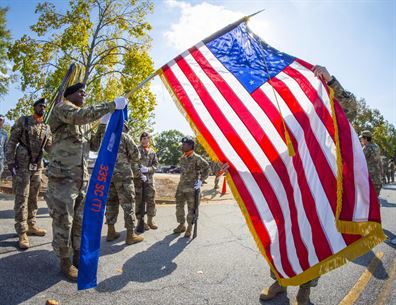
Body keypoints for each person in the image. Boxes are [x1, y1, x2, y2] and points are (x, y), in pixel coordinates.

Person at [260, 65, 358, 305]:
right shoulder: (283, 126)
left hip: (317, 191)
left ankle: (306, 288)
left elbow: (349, 110)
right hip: (288, 195)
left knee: (313, 238)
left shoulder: (319, 118)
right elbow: (264, 162)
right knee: (283, 239)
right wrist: (233, 168)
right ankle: (280, 282)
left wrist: (331, 80)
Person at [44, 82, 127, 281]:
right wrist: (109, 105)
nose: (84, 95)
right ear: (70, 94)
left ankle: (76, 256)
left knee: (79, 222)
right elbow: (79, 117)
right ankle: (64, 261)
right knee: (64, 221)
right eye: (81, 92)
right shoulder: (62, 108)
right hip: (62, 178)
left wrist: (104, 124)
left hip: (81, 179)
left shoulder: (83, 121)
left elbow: (93, 145)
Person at [5, 99, 51, 249]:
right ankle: (22, 232)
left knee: (34, 198)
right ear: (34, 107)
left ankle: (31, 225)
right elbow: (12, 141)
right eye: (40, 106)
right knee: (21, 198)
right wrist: (10, 162)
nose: (42, 108)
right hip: (22, 166)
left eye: (44, 106)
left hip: (37, 167)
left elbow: (50, 147)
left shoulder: (46, 127)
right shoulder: (24, 121)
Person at [105, 122, 143, 245]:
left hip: (108, 173)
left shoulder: (106, 136)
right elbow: (136, 155)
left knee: (111, 202)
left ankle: (111, 231)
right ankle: (130, 235)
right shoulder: (124, 136)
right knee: (128, 203)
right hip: (123, 174)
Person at [173, 137, 209, 238]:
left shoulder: (197, 158)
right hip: (181, 187)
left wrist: (201, 180)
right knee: (179, 207)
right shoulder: (182, 157)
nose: (182, 146)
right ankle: (181, 224)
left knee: (191, 209)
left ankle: (189, 227)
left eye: (184, 144)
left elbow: (207, 168)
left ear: (190, 146)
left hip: (192, 188)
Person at [134, 131, 159, 231]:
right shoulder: (136, 150)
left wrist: (148, 169)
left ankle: (150, 220)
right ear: (140, 140)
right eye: (142, 138)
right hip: (139, 181)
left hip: (149, 181)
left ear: (149, 139)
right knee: (139, 202)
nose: (144, 140)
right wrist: (140, 173)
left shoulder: (152, 152)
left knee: (151, 200)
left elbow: (156, 165)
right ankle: (140, 221)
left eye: (146, 138)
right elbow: (133, 163)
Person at [359, 130, 382, 196]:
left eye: (361, 138)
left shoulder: (366, 148)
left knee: (369, 202)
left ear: (366, 138)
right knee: (375, 201)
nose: (361, 140)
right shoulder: (376, 146)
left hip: (370, 179)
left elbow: (360, 161)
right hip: (377, 178)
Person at [0, 114, 8, 180]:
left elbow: (5, 147)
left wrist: (5, 158)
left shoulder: (5, 133)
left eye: (1, 120)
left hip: (1, 158)